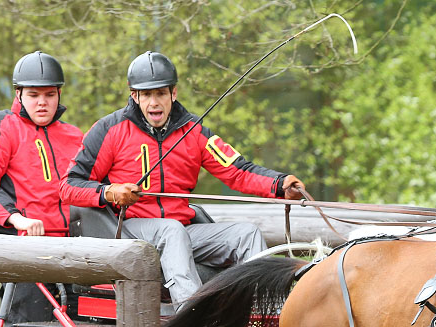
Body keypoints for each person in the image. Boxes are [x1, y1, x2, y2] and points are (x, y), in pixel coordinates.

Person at [60, 51, 305, 308]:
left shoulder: (194, 132)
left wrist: (279, 184)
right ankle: (192, 318)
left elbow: (237, 170)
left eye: (161, 94)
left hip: (180, 231)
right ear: (135, 96)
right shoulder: (110, 129)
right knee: (171, 230)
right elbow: (69, 186)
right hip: (125, 231)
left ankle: (265, 317)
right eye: (146, 95)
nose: (154, 103)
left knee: (246, 233)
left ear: (173, 94)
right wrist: (111, 192)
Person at [0, 51, 84, 326]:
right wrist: (17, 218)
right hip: (23, 251)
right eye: (34, 95)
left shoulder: (75, 136)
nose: (42, 103)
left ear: (59, 95)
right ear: (19, 94)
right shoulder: (3, 126)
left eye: (49, 95)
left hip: (73, 252)